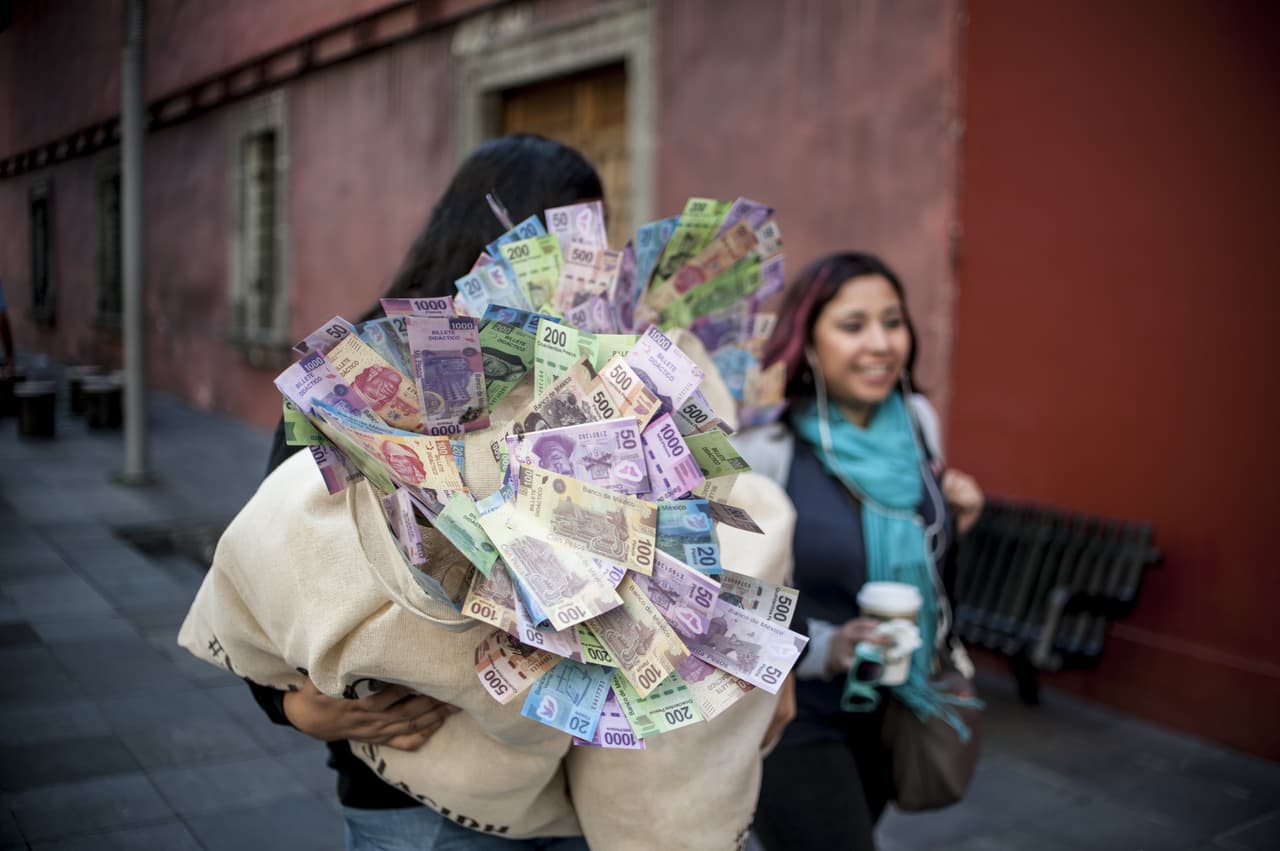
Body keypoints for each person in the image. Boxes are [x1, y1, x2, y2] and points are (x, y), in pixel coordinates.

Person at [252, 134, 603, 850]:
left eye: (599, 240)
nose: (592, 265)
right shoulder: (366, 373)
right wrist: (290, 705)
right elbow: (267, 560)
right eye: (569, 238)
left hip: (565, 784)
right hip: (413, 793)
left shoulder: (596, 376)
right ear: (495, 239)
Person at [740, 252, 985, 851]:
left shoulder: (917, 422)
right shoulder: (765, 445)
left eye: (892, 321)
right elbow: (734, 593)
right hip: (796, 707)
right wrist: (830, 647)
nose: (880, 343)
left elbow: (916, 549)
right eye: (853, 326)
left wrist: (957, 515)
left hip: (893, 701)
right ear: (811, 341)